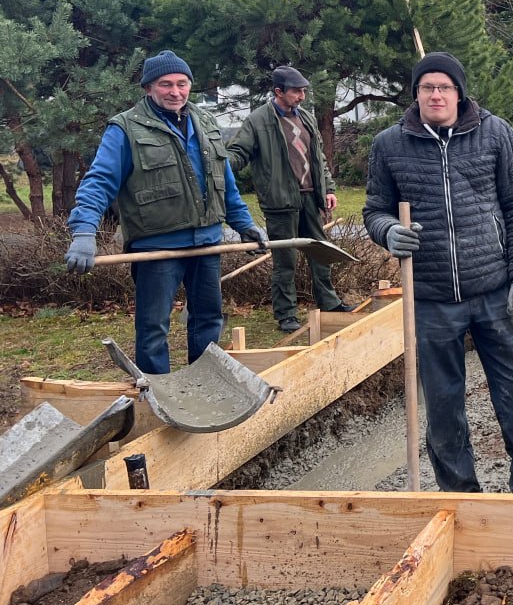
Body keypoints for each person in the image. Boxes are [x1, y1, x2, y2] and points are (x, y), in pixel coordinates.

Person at [364, 51, 513, 493]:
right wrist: (389, 231)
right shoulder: (389, 145)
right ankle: (459, 494)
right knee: (444, 405)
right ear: (416, 94)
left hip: (494, 290)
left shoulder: (495, 133)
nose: (436, 94)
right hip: (431, 298)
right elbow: (374, 210)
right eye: (427, 87)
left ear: (459, 93)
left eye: (444, 87)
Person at [65, 50, 268, 374]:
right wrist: (84, 231)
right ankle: (156, 388)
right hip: (157, 247)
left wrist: (244, 223)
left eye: (182, 83)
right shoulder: (126, 128)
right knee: (153, 326)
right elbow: (99, 181)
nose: (175, 91)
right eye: (166, 84)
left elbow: (223, 178)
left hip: (207, 243)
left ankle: (204, 381)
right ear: (148, 88)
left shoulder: (205, 122)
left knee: (208, 318)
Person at [227, 66, 352, 334]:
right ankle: (286, 314)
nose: (302, 96)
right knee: (285, 262)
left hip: (311, 199)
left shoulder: (306, 118)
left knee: (321, 254)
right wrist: (217, 165)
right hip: (280, 203)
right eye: (296, 91)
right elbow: (237, 153)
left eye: (304, 91)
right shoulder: (258, 121)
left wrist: (328, 188)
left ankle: (330, 304)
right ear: (278, 92)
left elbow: (319, 158)